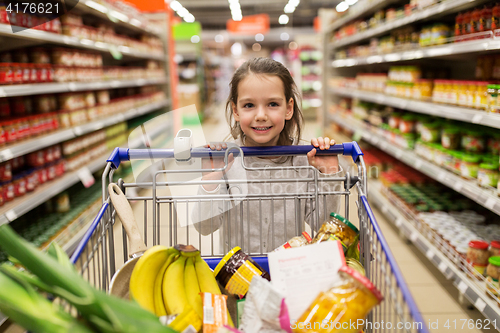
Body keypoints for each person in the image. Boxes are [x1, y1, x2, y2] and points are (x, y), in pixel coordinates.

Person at [192, 57, 343, 254]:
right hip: (237, 275)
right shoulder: (227, 162)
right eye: (249, 105)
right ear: (235, 110)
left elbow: (321, 222)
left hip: (288, 272)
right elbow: (204, 227)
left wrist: (328, 173)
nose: (261, 115)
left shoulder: (303, 160)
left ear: (288, 108)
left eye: (272, 104)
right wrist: (211, 181)